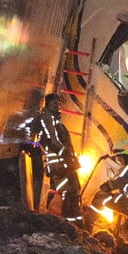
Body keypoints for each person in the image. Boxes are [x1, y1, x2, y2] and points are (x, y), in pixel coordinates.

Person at [33, 93, 82, 222]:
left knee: (74, 191)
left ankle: (74, 221)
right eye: (54, 103)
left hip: (64, 162)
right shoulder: (46, 118)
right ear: (47, 104)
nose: (57, 105)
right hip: (57, 164)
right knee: (68, 192)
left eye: (59, 103)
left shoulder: (55, 120)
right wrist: (66, 155)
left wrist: (71, 158)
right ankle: (70, 223)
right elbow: (52, 140)